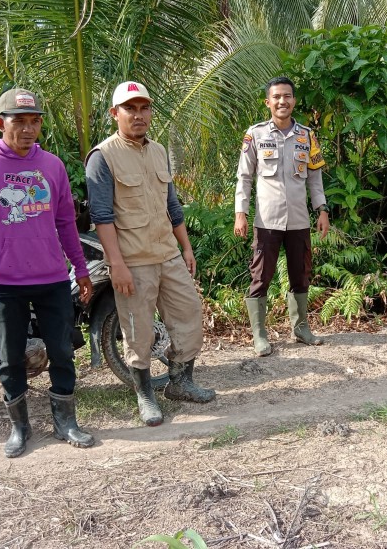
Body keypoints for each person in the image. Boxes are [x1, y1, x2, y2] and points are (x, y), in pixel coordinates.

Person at [0, 88, 95, 458]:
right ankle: (20, 427)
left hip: (52, 278)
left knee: (63, 352)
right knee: (10, 358)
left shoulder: (51, 166)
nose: (28, 128)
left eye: (35, 121)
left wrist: (80, 269)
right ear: (2, 123)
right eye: (19, 121)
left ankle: (66, 422)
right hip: (5, 281)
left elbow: (66, 221)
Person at [85, 81, 215, 427]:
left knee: (189, 314)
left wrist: (186, 247)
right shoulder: (102, 157)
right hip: (133, 261)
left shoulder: (158, 151)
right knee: (138, 332)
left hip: (168, 254)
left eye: (144, 108)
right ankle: (145, 395)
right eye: (131, 109)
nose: (139, 115)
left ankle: (180, 382)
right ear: (116, 114)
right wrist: (117, 264)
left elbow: (172, 205)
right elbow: (101, 215)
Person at [234, 76, 330, 357]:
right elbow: (244, 177)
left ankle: (301, 328)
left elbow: (315, 178)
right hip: (267, 221)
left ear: (294, 101)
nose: (282, 101)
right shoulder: (256, 135)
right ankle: (260, 335)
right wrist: (241, 213)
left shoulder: (307, 136)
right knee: (261, 276)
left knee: (301, 274)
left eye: (287, 96)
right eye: (276, 97)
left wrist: (321, 210)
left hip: (299, 220)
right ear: (268, 102)